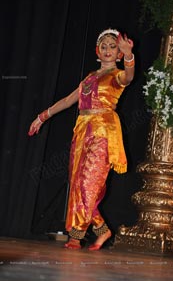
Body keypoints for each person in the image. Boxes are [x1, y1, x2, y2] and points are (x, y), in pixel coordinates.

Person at [28, 28, 135, 250]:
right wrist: (42, 116)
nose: (107, 49)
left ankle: (76, 236)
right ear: (98, 51)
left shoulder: (117, 76)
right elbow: (68, 100)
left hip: (103, 133)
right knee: (78, 185)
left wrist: (129, 57)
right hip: (82, 132)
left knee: (88, 184)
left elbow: (129, 76)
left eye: (112, 46)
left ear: (118, 54)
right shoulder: (89, 78)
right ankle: (102, 231)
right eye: (103, 46)